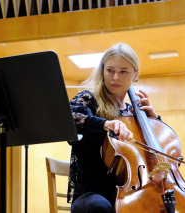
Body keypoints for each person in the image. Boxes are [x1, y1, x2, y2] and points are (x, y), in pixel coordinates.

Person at [67, 43, 160, 213]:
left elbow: (160, 154)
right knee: (100, 207)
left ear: (135, 75)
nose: (115, 77)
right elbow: (70, 118)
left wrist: (154, 121)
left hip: (131, 192)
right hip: (91, 195)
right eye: (110, 70)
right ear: (102, 71)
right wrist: (104, 124)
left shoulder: (134, 113)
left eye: (123, 71)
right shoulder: (89, 99)